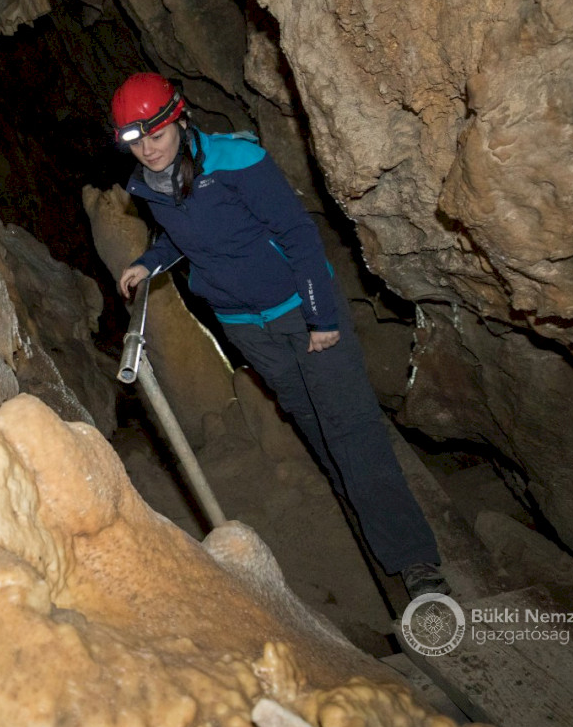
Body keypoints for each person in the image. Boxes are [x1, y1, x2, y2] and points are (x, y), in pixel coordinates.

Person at [110, 72, 448, 599]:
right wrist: (149, 261)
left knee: (351, 429)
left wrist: (321, 317)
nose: (148, 149)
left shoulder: (236, 162)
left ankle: (414, 561)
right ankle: (369, 523)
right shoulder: (149, 185)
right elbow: (182, 235)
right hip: (248, 329)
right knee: (314, 426)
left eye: (156, 134)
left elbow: (297, 234)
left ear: (179, 119)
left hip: (301, 312)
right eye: (136, 141)